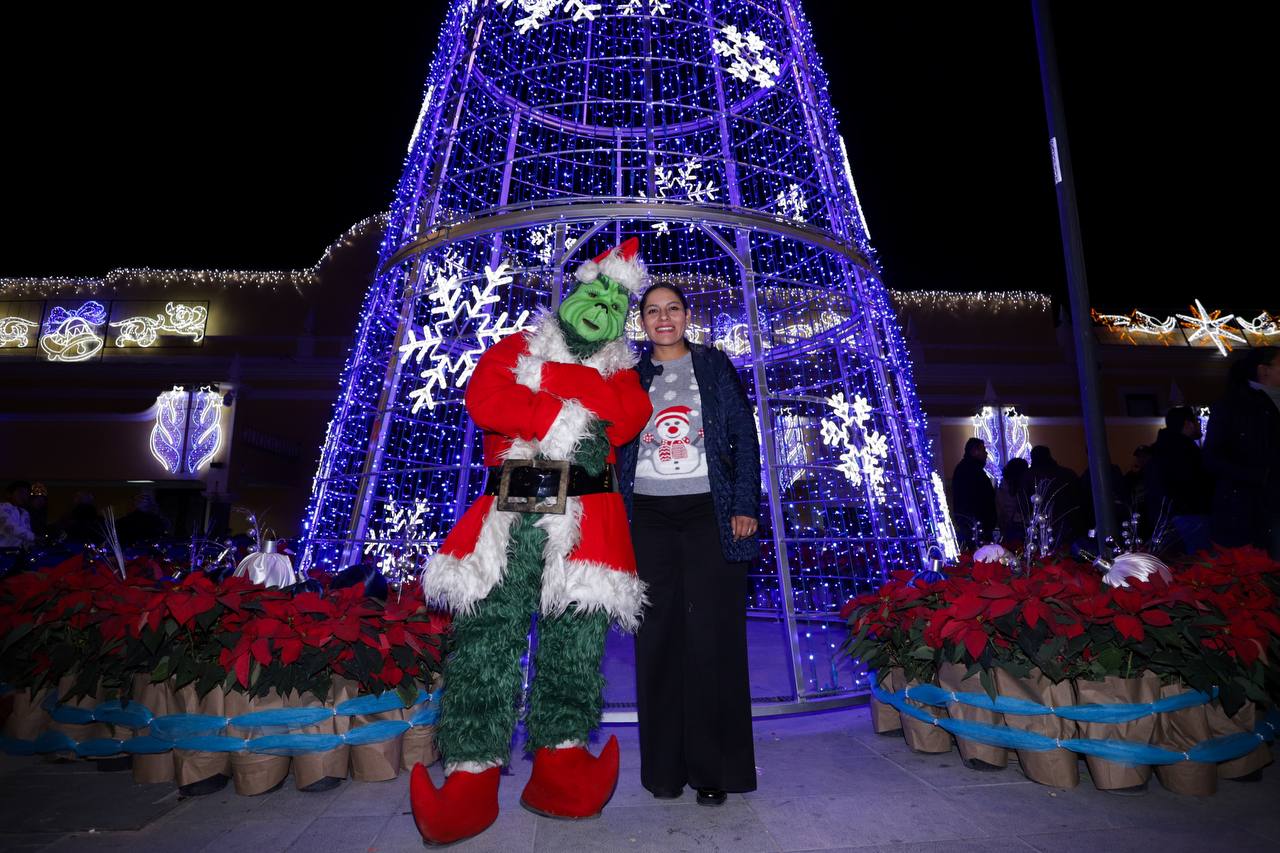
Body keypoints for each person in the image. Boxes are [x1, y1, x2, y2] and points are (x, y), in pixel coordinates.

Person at [410, 238, 652, 845]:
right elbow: (487, 400)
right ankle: (472, 772)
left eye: (617, 301)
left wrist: (551, 380)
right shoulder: (512, 349)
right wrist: (568, 409)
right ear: (572, 292)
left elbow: (628, 418)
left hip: (587, 525)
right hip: (509, 516)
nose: (601, 306)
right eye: (594, 291)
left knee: (576, 642)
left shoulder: (620, 371)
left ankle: (560, 762)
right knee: (487, 638)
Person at [617, 281, 760, 807]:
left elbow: (744, 437)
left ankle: (713, 770)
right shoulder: (630, 376)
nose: (663, 318)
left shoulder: (714, 366)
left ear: (686, 315)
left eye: (672, 308)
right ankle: (663, 770)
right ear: (642, 322)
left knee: (711, 638)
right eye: (652, 311)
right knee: (656, 639)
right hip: (648, 517)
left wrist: (744, 503)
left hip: (709, 513)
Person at [1204, 346, 1280, 557]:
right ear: (1264, 370)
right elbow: (1213, 458)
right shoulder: (1235, 406)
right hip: (1252, 510)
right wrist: (1261, 476)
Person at [1144, 406, 1213, 554]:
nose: (1198, 425)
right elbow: (1197, 483)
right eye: (1195, 421)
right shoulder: (1185, 450)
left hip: (1169, 517)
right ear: (1187, 424)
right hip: (1190, 515)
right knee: (1200, 563)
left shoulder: (1161, 449)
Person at [1025, 445, 1081, 546]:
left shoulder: (1029, 476)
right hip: (1066, 525)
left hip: (1040, 528)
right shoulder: (1067, 474)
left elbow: (1025, 504)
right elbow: (1078, 500)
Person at [951, 438, 996, 547]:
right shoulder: (972, 470)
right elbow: (980, 497)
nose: (986, 453)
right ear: (974, 451)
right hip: (976, 524)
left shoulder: (967, 468)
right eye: (983, 450)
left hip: (973, 522)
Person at [995, 457, 1029, 543]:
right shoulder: (1023, 488)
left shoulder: (1001, 488)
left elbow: (999, 510)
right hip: (1023, 526)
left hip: (1007, 527)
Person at [0, 481, 36, 549]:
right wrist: (34, 537)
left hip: (17, 552)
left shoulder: (25, 513)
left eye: (26, 493)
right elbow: (10, 527)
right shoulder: (2, 507)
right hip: (2, 552)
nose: (24, 496)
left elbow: (27, 532)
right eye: (21, 492)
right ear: (9, 494)